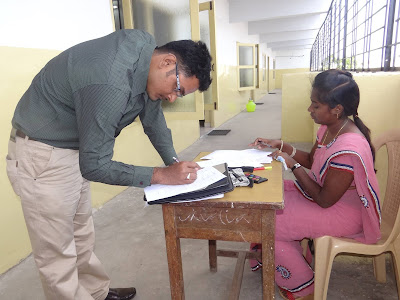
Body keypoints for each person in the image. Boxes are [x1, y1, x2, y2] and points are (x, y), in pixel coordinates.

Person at [5, 29, 212, 300]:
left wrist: (174, 163)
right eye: (177, 89)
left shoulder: (146, 52)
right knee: (57, 253)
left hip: (72, 147)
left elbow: (152, 119)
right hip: (43, 154)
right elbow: (94, 165)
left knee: (81, 233)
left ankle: (97, 293)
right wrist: (161, 175)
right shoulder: (111, 83)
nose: (173, 98)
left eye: (179, 95)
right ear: (167, 62)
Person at [248, 69, 381, 299]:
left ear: (336, 109)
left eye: (315, 105)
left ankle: (303, 287)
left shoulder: (349, 148)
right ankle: (292, 257)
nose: (310, 109)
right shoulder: (330, 128)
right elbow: (311, 160)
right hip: (325, 199)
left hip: (342, 213)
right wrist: (281, 146)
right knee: (265, 199)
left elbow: (324, 199)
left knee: (268, 221)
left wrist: (292, 166)